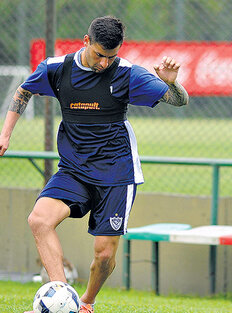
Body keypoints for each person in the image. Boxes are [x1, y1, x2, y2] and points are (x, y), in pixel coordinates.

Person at [0, 16, 188, 313]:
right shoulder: (57, 68)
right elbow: (23, 91)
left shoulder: (127, 74)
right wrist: (5, 134)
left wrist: (171, 83)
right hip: (74, 169)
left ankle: (85, 303)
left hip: (116, 172)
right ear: (85, 41)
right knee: (39, 220)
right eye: (100, 54)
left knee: (103, 255)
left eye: (110, 57)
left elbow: (179, 101)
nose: (104, 63)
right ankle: (63, 300)